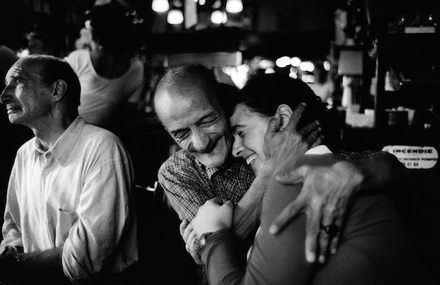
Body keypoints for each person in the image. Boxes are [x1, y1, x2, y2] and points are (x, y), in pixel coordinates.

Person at [153, 65, 405, 284]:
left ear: (223, 104)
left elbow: (378, 166)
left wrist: (363, 172)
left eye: (207, 120)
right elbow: (222, 255)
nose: (200, 142)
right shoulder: (178, 171)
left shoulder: (272, 146)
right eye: (181, 134)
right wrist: (275, 167)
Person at [0, 55, 138, 284]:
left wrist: (15, 266)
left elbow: (86, 258)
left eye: (18, 82)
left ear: (57, 90)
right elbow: (13, 226)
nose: (4, 96)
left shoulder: (102, 148)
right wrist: (13, 256)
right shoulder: (24, 154)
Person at [65, 1, 146, 136]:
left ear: (95, 32)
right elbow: (123, 120)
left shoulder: (78, 59)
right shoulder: (137, 69)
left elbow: (51, 99)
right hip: (102, 140)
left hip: (65, 135)